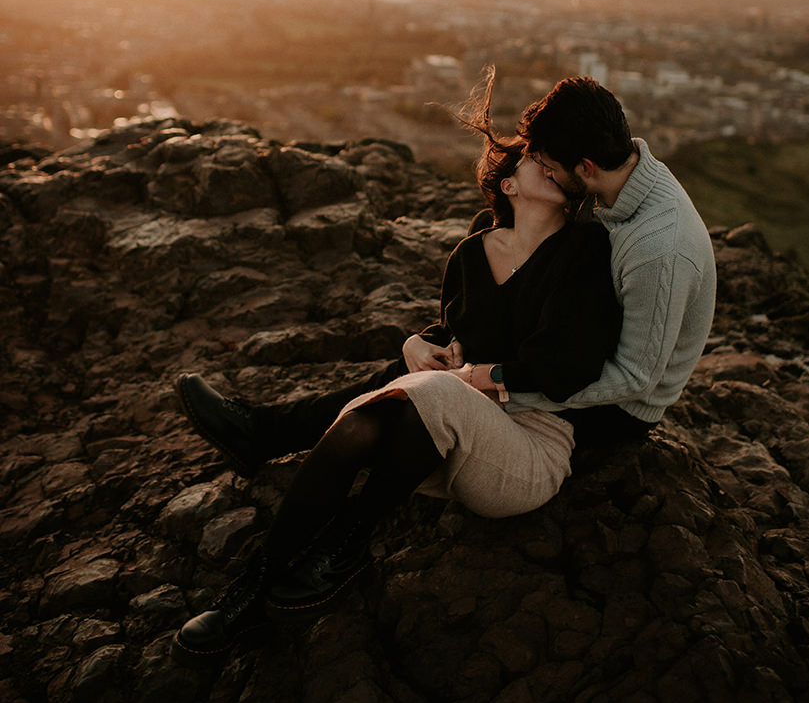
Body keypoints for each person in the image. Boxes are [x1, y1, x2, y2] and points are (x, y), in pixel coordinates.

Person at [171, 77, 622, 667]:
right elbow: (459, 333)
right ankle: (256, 587)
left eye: (550, 160)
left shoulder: (584, 251)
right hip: (450, 421)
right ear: (507, 184)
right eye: (531, 158)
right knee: (363, 425)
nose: (545, 164)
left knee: (425, 393)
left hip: (530, 442)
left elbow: (569, 366)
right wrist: (419, 343)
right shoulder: (472, 253)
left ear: (567, 190)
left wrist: (465, 377)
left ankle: (285, 460)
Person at [517, 76, 716, 445]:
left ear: (586, 168)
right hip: (578, 354)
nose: (544, 172)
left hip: (617, 412)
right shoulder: (625, 179)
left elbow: (635, 378)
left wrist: (513, 394)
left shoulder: (659, 249)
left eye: (550, 167)